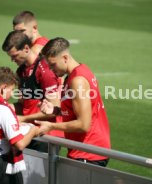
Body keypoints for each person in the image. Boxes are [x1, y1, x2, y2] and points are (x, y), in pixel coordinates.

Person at [36, 37, 111, 167]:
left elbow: (83, 124)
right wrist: (55, 111)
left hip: (88, 152)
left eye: (53, 65)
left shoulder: (78, 80)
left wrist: (51, 126)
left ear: (65, 58)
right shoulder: (75, 74)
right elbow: (78, 111)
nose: (51, 70)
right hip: (87, 150)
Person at [0, 67, 39, 184]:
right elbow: (19, 145)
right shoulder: (3, 109)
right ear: (4, 88)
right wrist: (33, 131)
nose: (11, 94)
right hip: (1, 164)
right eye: (11, 90)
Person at [2, 30, 63, 152]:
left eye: (14, 56)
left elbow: (55, 110)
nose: (12, 60)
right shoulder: (21, 71)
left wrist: (23, 119)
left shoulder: (44, 70)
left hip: (46, 136)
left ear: (26, 48)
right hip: (29, 133)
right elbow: (22, 105)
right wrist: (3, 108)